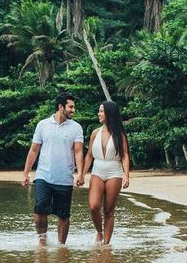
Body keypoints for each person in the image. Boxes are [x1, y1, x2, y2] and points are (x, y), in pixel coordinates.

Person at [22, 93, 85, 245]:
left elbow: (78, 152)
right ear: (60, 107)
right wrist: (26, 173)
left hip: (64, 178)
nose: (73, 110)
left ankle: (61, 247)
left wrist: (81, 173)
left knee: (63, 215)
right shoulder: (42, 125)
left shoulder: (76, 128)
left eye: (73, 107)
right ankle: (42, 242)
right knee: (40, 210)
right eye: (70, 107)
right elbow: (34, 150)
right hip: (43, 176)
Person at [80, 100, 131, 245]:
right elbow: (89, 155)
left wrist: (126, 175)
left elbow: (125, 155)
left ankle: (106, 245)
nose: (99, 113)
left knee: (108, 210)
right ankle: (99, 232)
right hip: (97, 170)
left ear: (109, 113)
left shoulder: (119, 134)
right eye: (99, 111)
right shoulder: (95, 133)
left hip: (114, 171)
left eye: (101, 111)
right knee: (93, 206)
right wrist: (82, 174)